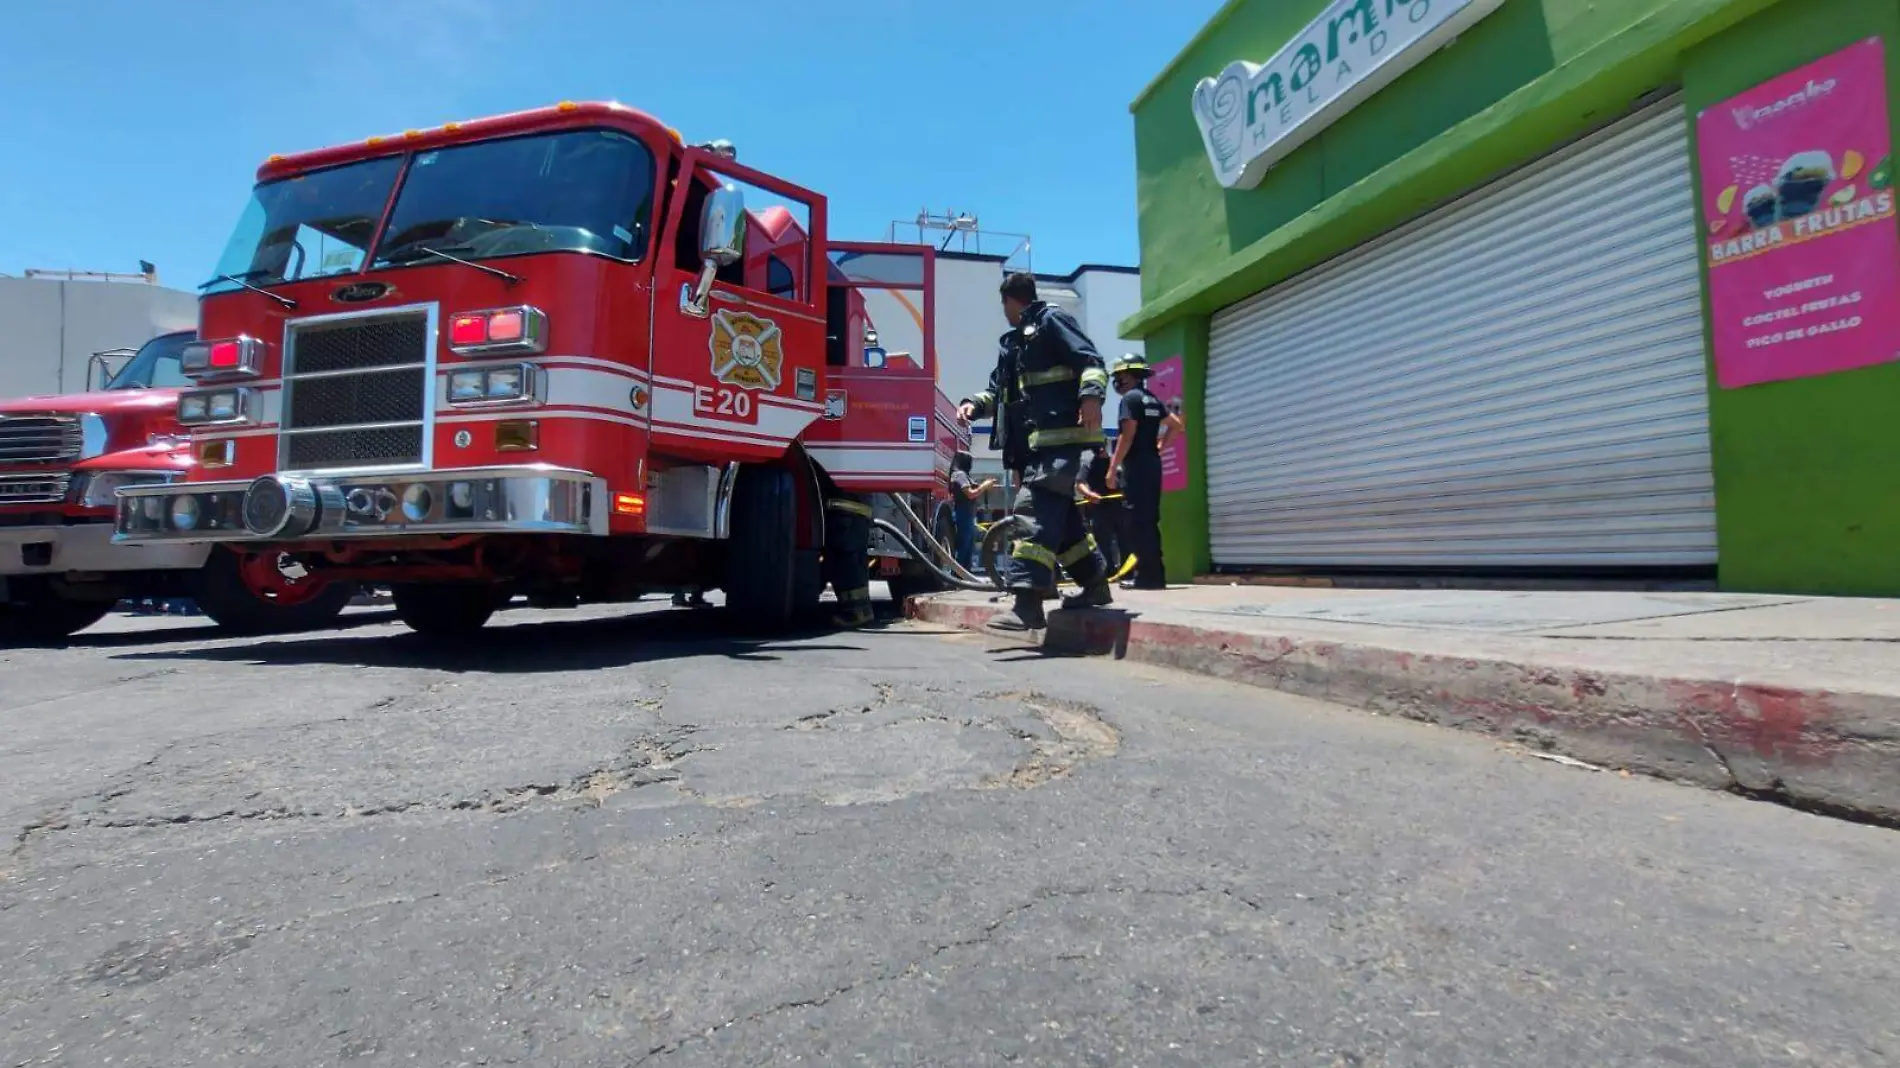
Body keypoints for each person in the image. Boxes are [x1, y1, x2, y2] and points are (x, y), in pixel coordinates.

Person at [959, 273, 1113, 631]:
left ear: (1013, 300)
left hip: (1058, 442)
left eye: (1004, 305)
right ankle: (1095, 585)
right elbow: (998, 392)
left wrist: (1091, 396)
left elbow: (1091, 360)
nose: (1004, 313)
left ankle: (1027, 605)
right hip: (1035, 448)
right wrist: (973, 405)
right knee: (1064, 526)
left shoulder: (1051, 321)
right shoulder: (1016, 345)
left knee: (1032, 511)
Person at [1105, 354, 1185, 591]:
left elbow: (1127, 435)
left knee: (1137, 521)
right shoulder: (1151, 399)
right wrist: (1160, 446)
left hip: (1137, 467)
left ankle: (1147, 577)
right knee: (1149, 519)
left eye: (1120, 376)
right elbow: (1177, 425)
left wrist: (1112, 468)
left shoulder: (1130, 399)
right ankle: (1154, 575)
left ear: (1130, 376)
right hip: (1152, 465)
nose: (1117, 381)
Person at [823, 491, 876, 628]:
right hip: (853, 507)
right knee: (852, 556)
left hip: (847, 508)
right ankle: (859, 610)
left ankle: (856, 611)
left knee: (846, 554)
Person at [1074, 447, 1126, 579]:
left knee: (1125, 539)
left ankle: (1127, 572)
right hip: (1100, 506)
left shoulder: (1115, 459)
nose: (1102, 450)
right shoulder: (1088, 462)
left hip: (1119, 504)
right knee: (1103, 541)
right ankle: (1108, 571)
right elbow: (1080, 483)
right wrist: (1089, 494)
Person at [948, 451, 994, 573]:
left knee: (968, 546)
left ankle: (965, 573)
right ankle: (958, 575)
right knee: (964, 546)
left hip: (967, 514)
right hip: (963, 513)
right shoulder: (959, 474)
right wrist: (984, 486)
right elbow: (970, 494)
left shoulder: (960, 475)